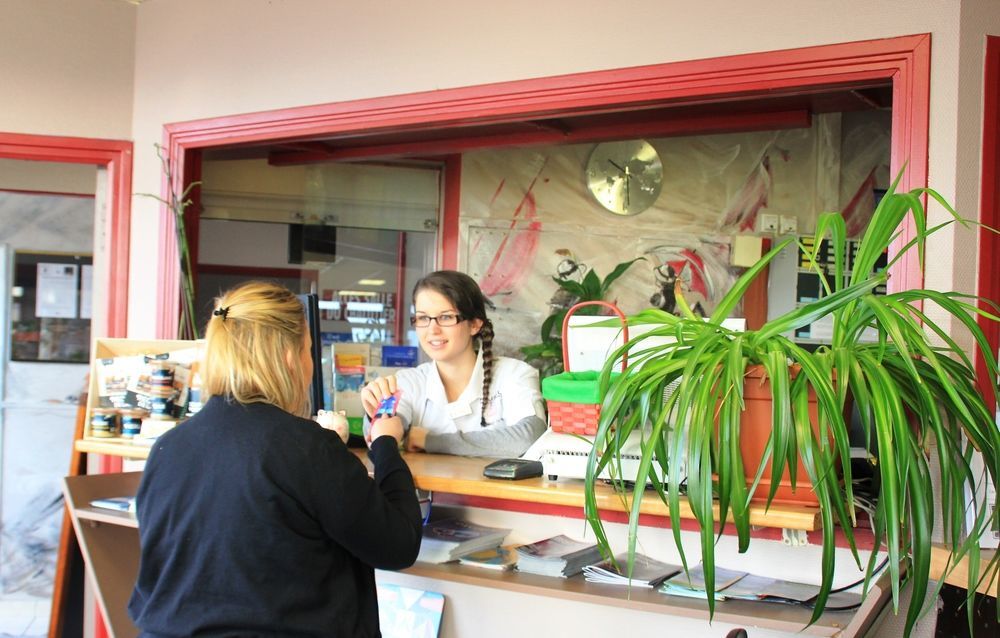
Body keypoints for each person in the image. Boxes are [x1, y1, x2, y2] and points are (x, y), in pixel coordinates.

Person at [128, 281, 422, 638]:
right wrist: (386, 444)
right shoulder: (305, 447)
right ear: (290, 357)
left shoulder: (169, 448)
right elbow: (397, 545)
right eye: (309, 351)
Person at [361, 270, 546, 458]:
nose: (433, 330)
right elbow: (386, 435)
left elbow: (531, 436)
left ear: (474, 324)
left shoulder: (514, 374)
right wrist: (375, 413)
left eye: (446, 317)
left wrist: (431, 441)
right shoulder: (408, 382)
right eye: (423, 318)